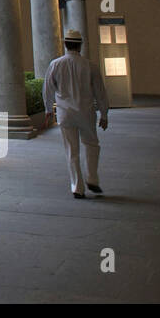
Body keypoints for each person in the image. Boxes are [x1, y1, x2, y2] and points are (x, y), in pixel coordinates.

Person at [42, 29, 109, 198]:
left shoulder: (56, 64)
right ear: (80, 45)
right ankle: (92, 178)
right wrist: (104, 114)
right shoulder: (90, 66)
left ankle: (77, 187)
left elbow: (47, 89)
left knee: (71, 150)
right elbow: (100, 92)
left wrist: (48, 109)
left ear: (65, 44)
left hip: (65, 113)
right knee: (92, 144)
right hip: (86, 112)